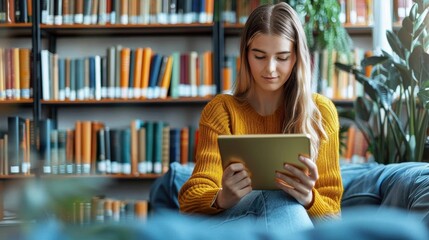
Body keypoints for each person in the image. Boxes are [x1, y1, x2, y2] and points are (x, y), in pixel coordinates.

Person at [178, 2, 342, 232]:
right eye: (260, 56)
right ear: (245, 55)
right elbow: (189, 201)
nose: (270, 69)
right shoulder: (222, 110)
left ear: (296, 58)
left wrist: (309, 199)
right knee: (277, 197)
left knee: (282, 199)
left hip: (288, 222)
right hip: (232, 225)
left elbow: (333, 218)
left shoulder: (320, 113)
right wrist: (223, 197)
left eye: (282, 57)